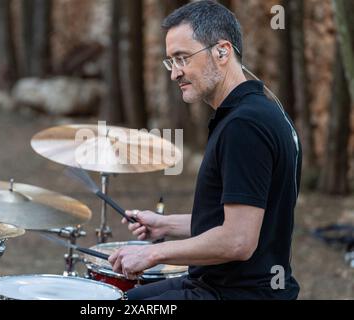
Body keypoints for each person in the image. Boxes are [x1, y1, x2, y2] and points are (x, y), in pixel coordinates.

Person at [109, 0, 302, 300]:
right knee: (114, 299)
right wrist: (165, 224)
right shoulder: (259, 111)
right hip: (217, 285)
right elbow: (235, 218)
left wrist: (153, 254)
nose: (174, 73)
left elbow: (238, 240)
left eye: (182, 58)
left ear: (222, 51)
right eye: (170, 61)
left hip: (236, 294)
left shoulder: (245, 125)